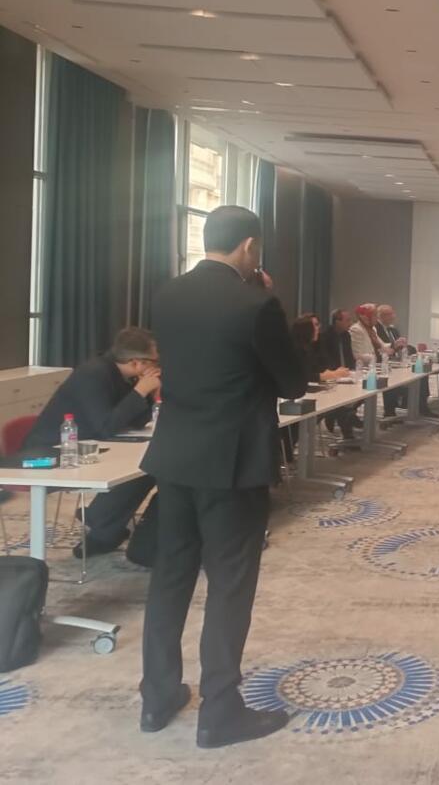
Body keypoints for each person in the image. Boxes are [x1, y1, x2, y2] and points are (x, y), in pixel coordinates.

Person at [139, 205, 306, 748]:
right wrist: (269, 304)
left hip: (175, 457)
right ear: (250, 247)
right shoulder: (257, 303)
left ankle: (157, 697)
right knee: (230, 586)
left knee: (170, 578)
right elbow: (293, 382)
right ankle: (220, 711)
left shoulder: (167, 295)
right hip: (232, 464)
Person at [24, 327, 161, 563]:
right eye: (154, 361)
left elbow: (133, 420)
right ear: (137, 362)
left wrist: (148, 393)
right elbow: (106, 427)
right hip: (53, 450)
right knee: (145, 468)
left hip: (89, 444)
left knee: (150, 467)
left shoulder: (121, 375)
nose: (158, 367)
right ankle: (103, 527)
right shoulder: (93, 374)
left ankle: (103, 525)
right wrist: (140, 391)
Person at [290, 314, 355, 440]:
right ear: (305, 329)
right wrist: (332, 374)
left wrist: (331, 373)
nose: (318, 328)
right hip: (296, 394)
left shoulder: (313, 345)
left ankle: (347, 428)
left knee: (339, 401)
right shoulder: (296, 349)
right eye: (315, 325)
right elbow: (306, 375)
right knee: (334, 404)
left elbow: (322, 365)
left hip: (309, 390)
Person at [374, 305, 436, 419]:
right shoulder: (376, 330)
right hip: (384, 363)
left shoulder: (393, 329)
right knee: (393, 378)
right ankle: (390, 412)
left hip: (398, 362)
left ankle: (422, 405)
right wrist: (395, 346)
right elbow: (382, 349)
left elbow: (400, 347)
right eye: (390, 314)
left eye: (393, 313)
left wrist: (404, 346)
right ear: (382, 316)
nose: (393, 317)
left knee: (422, 373)